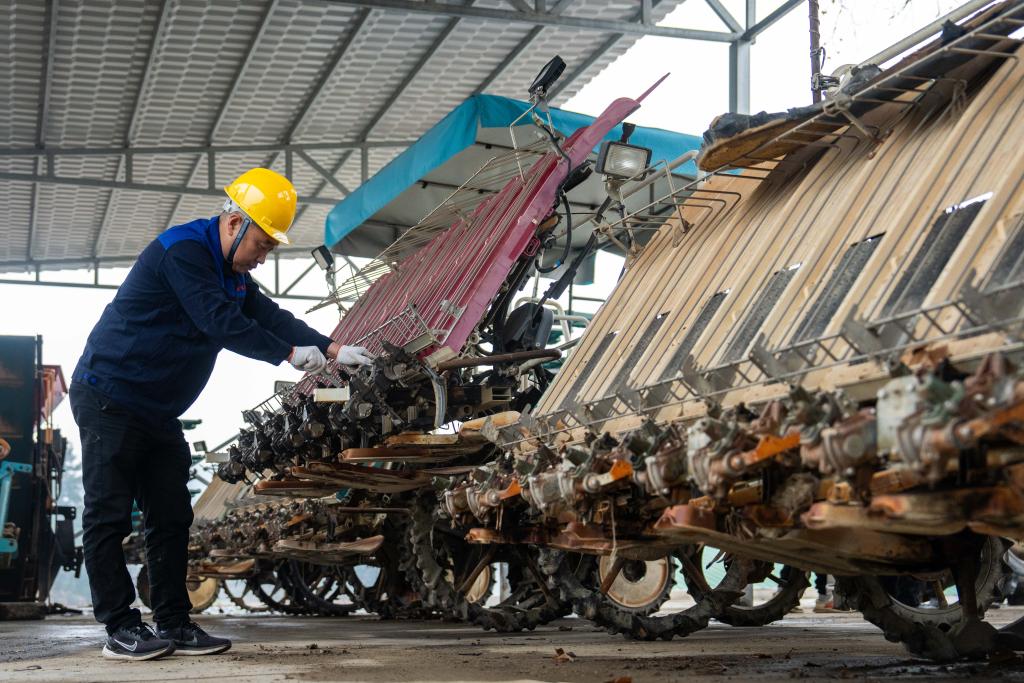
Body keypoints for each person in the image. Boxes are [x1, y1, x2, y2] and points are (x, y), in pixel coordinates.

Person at [70, 168, 372, 660]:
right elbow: (220, 322)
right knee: (107, 514)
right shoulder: (183, 253)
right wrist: (288, 355)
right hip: (110, 398)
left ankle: (174, 622)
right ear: (234, 223)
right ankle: (120, 627)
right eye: (261, 244)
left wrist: (335, 348)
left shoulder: (231, 274)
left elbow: (269, 316)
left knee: (171, 517)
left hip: (157, 411)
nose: (262, 257)